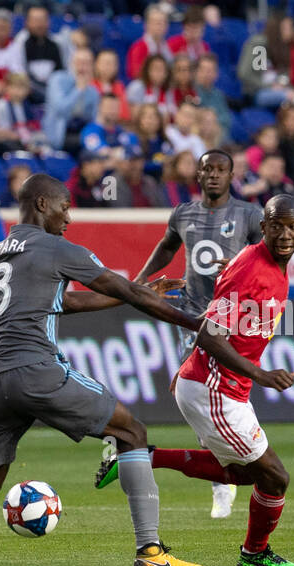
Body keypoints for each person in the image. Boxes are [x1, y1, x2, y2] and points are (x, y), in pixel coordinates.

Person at [0, 173, 243, 566]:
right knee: (132, 434)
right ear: (42, 204)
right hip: (37, 369)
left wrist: (138, 287)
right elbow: (127, 293)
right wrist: (194, 322)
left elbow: (65, 302)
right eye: (65, 206)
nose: (68, 216)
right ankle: (151, 552)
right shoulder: (56, 248)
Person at [95, 194, 294, 566]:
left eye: (292, 226)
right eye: (277, 226)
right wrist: (262, 375)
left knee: (242, 474)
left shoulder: (263, 264)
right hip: (214, 389)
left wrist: (231, 273)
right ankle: (254, 554)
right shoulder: (252, 268)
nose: (285, 234)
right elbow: (208, 336)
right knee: (275, 477)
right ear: (264, 228)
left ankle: (140, 456)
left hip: (222, 387)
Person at [110, 150, 264, 519]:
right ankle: (222, 481)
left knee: (231, 391)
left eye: (221, 170)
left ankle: (238, 458)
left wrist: (244, 262)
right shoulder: (183, 214)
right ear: (198, 174)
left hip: (235, 317)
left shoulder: (249, 214)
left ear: (231, 175)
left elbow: (270, 254)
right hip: (194, 317)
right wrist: (139, 283)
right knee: (198, 395)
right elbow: (167, 247)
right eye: (207, 169)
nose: (213, 175)